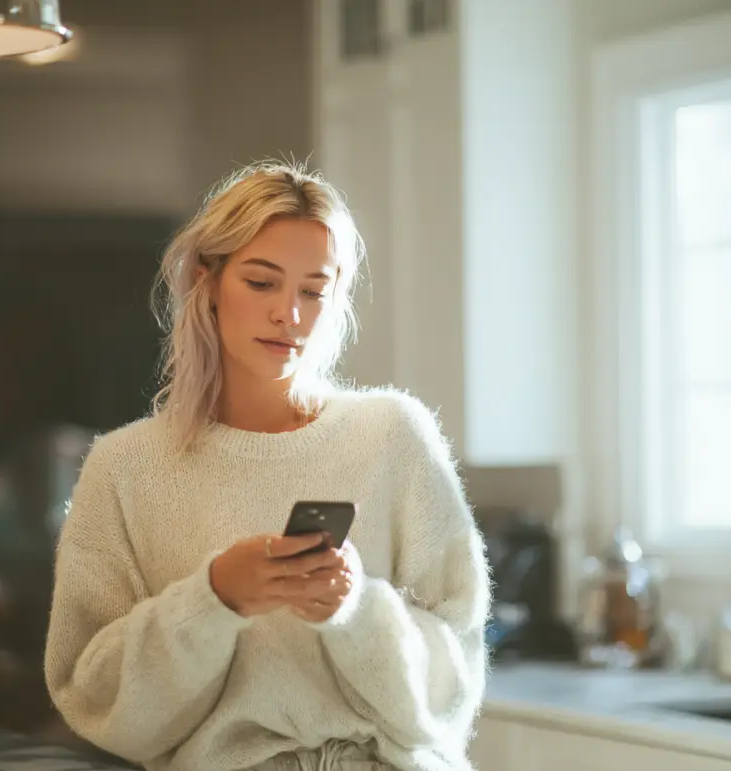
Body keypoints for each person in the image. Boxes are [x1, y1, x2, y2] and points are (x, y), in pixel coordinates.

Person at [44, 162, 491, 771]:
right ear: (207, 280)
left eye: (314, 290)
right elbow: (95, 700)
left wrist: (355, 609)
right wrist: (214, 599)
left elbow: (454, 686)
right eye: (261, 283)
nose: (291, 315)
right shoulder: (124, 468)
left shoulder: (393, 434)